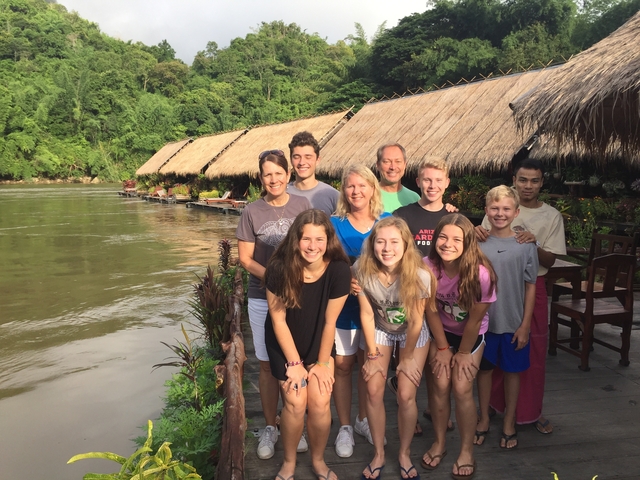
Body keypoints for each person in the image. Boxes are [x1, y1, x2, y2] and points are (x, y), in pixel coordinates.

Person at [476, 158, 566, 434]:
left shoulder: (550, 216)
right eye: (523, 179)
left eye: (534, 180)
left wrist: (533, 242)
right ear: (514, 180)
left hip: (530, 288)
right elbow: (483, 241)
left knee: (530, 351)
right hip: (492, 290)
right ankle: (494, 406)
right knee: (490, 355)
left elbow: (549, 262)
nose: (528, 185)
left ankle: (530, 411)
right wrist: (476, 231)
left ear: (541, 183)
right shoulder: (498, 207)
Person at [264, 209, 350, 480]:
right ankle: (289, 462)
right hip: (284, 341)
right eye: (306, 239)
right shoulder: (278, 268)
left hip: (319, 340)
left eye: (319, 239)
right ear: (295, 240)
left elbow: (329, 322)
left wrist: (323, 363)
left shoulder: (339, 270)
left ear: (328, 241)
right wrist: (294, 364)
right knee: (295, 400)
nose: (313, 246)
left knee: (321, 400)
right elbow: (278, 321)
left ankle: (318, 460)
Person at [236, 150, 312, 460]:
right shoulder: (251, 212)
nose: (274, 179)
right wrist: (275, 277)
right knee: (267, 363)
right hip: (260, 295)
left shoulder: (302, 205)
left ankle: (297, 423)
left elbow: (312, 245)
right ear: (261, 178)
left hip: (299, 296)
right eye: (268, 174)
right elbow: (245, 259)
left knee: (298, 360)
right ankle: (271, 425)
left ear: (288, 174)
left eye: (279, 172)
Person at [356, 217, 437, 480]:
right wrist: (372, 354)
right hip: (380, 328)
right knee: (373, 389)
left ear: (405, 245)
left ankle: (404, 452)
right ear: (372, 244)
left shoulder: (420, 274)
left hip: (411, 334)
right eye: (380, 241)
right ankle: (379, 452)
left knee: (405, 394)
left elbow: (415, 320)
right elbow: (367, 314)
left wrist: (408, 358)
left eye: (394, 242)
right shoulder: (360, 269)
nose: (387, 248)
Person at [422, 214, 496, 480]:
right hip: (441, 332)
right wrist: (443, 349)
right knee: (440, 384)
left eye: (456, 239)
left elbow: (475, 320)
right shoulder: (427, 267)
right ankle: (440, 442)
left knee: (462, 387)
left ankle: (466, 451)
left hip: (470, 335)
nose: (448, 243)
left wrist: (463, 353)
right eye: (443, 236)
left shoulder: (481, 274)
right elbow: (429, 310)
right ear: (434, 238)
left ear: (468, 243)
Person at [391, 157, 457, 433]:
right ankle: (410, 412)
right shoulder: (404, 215)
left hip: (442, 300)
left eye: (438, 180)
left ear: (447, 183)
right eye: (427, 180)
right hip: (410, 298)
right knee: (406, 359)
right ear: (417, 182)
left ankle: (434, 407)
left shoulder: (453, 217)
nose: (432, 185)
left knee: (436, 361)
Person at [330, 164, 391, 457]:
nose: (356, 191)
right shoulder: (334, 223)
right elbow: (325, 262)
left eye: (362, 185)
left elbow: (399, 261)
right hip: (343, 307)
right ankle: (344, 426)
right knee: (343, 365)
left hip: (376, 310)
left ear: (372, 188)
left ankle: (363, 419)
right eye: (351, 186)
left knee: (369, 365)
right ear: (344, 190)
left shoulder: (387, 220)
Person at [476, 186, 538, 450]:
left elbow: (531, 284)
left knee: (513, 373)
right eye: (494, 208)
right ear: (486, 211)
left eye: (505, 209)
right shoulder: (476, 243)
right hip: (483, 324)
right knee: (484, 371)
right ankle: (482, 419)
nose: (500, 214)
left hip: (513, 323)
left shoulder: (525, 245)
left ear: (516, 212)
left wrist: (525, 325)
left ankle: (509, 421)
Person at [287, 131, 339, 216]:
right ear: (291, 160)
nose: (302, 162)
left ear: (317, 160)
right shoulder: (282, 195)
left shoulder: (333, 196)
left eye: (308, 157)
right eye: (297, 157)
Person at [376, 143, 420, 213]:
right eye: (387, 162)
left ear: (405, 165)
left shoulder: (414, 198)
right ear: (378, 165)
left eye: (398, 161)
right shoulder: (368, 196)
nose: (393, 167)